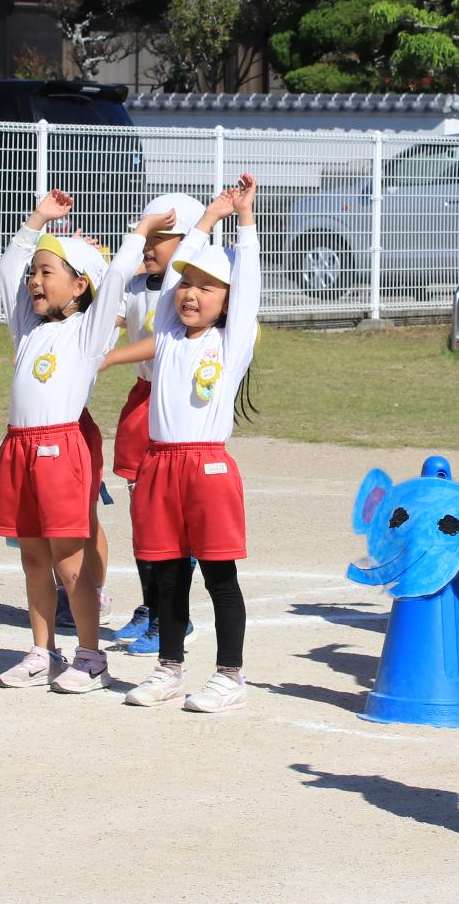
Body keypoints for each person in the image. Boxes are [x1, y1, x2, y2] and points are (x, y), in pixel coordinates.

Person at [118, 175, 261, 714]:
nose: (191, 293)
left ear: (226, 302)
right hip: (159, 466)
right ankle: (168, 668)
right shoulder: (168, 334)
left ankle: (230, 675)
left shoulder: (230, 344)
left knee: (219, 575)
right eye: (185, 284)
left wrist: (242, 220)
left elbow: (247, 284)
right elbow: (178, 271)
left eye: (206, 287)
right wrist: (204, 222)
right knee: (169, 574)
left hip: (207, 469)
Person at [0, 189, 146, 693]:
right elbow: (7, 267)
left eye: (47, 273)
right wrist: (39, 219)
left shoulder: (88, 332)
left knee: (69, 560)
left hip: (61, 450)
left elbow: (118, 276)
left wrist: (138, 235)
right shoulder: (27, 328)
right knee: (33, 557)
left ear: (80, 286)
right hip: (19, 448)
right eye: (34, 273)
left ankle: (90, 656)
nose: (34, 281)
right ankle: (43, 652)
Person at [106, 192, 207, 657]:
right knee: (142, 516)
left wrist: (106, 357)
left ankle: (175, 616)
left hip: (171, 408)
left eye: (160, 237)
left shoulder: (188, 295)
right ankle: (151, 607)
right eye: (145, 234)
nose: (149, 246)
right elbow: (101, 316)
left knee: (169, 520)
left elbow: (163, 345)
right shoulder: (135, 286)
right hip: (140, 404)